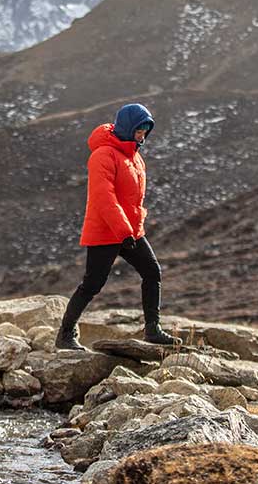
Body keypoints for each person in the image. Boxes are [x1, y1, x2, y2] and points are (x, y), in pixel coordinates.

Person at [56, 103, 182, 351]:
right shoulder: (102, 155)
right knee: (92, 285)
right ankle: (65, 335)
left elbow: (133, 199)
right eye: (139, 129)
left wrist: (133, 227)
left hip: (130, 232)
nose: (142, 134)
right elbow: (104, 198)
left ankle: (152, 330)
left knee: (152, 272)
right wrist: (123, 231)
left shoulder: (135, 157)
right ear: (127, 127)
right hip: (106, 232)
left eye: (146, 130)